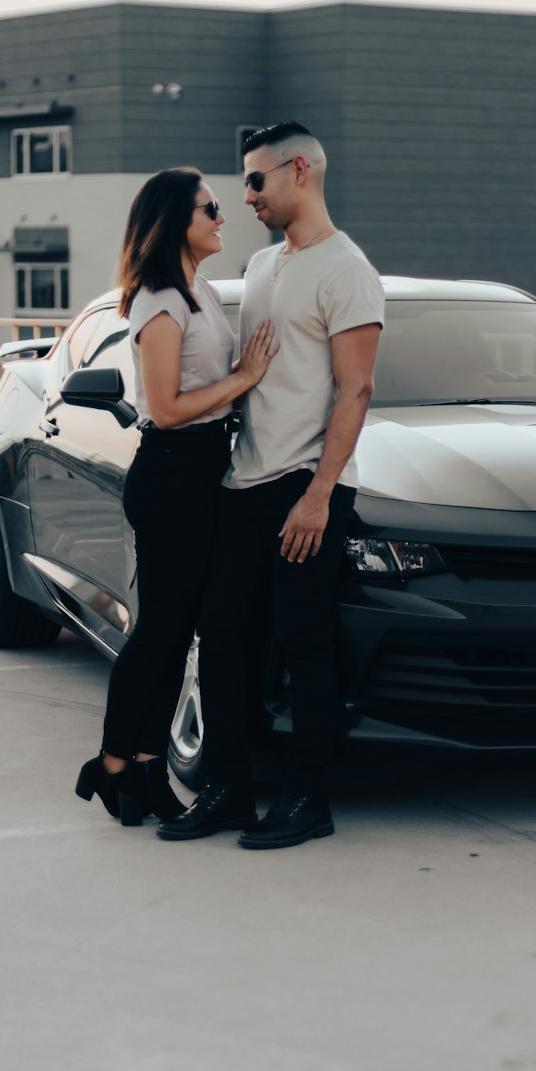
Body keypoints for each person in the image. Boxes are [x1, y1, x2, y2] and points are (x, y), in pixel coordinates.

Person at [157, 123, 384, 847]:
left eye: (255, 180)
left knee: (306, 641)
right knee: (222, 634)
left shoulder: (347, 270)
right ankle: (227, 789)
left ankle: (307, 799)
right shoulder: (260, 267)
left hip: (303, 490)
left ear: (299, 172)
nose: (245, 195)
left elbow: (356, 391)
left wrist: (320, 493)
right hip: (242, 482)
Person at [76, 167, 277, 825]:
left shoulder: (200, 290)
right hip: (171, 476)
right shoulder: (159, 298)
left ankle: (144, 770)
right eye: (209, 207)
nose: (222, 216)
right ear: (174, 222)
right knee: (161, 630)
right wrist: (245, 377)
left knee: (174, 630)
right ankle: (110, 764)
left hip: (199, 472)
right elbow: (164, 407)